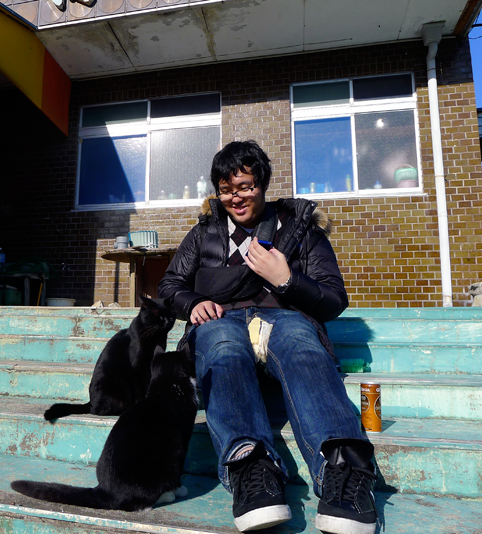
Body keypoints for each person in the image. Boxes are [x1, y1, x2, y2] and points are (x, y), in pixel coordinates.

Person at [158, 141, 377, 534]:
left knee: (301, 345)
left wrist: (287, 280)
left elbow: (333, 298)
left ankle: (344, 470)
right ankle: (250, 467)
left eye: (244, 186)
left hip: (284, 317)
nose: (235, 197)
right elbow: (170, 285)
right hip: (223, 320)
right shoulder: (204, 232)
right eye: (226, 189)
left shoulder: (300, 230)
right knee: (222, 345)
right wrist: (191, 302)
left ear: (262, 183)